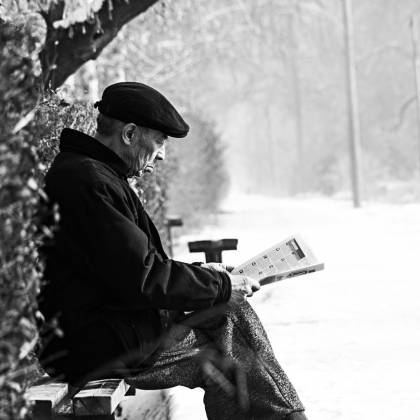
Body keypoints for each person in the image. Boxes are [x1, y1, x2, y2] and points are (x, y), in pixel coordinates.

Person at [38, 82, 307, 419]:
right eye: (160, 141)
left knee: (229, 331)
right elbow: (143, 277)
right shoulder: (89, 182)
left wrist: (206, 276)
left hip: (104, 330)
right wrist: (221, 286)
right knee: (230, 338)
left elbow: (134, 266)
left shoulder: (93, 175)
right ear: (130, 134)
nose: (163, 154)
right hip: (94, 345)